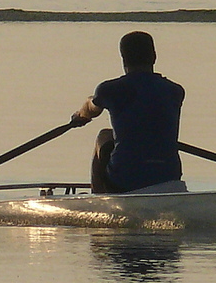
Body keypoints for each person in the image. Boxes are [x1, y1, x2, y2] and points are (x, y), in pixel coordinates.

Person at [73, 31, 185, 194]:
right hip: (169, 176)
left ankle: (98, 198)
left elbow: (90, 109)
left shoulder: (109, 90)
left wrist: (79, 116)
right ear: (154, 57)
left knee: (104, 136)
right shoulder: (175, 91)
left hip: (125, 179)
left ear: (123, 59)